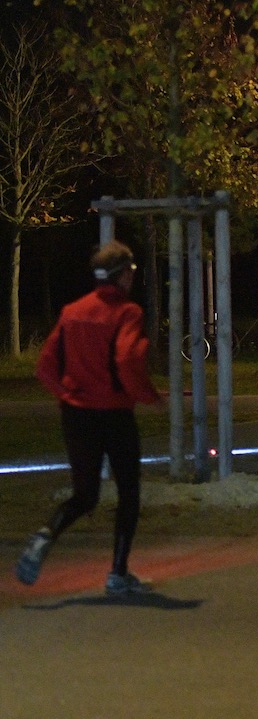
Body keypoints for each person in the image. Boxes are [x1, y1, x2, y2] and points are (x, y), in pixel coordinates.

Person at [17, 240, 162, 594]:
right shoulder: (128, 313)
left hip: (77, 416)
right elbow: (127, 362)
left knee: (85, 495)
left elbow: (45, 368)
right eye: (131, 272)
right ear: (123, 276)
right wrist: (147, 395)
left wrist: (68, 395)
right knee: (129, 492)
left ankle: (46, 534)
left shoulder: (72, 312)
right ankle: (117, 573)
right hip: (114, 416)